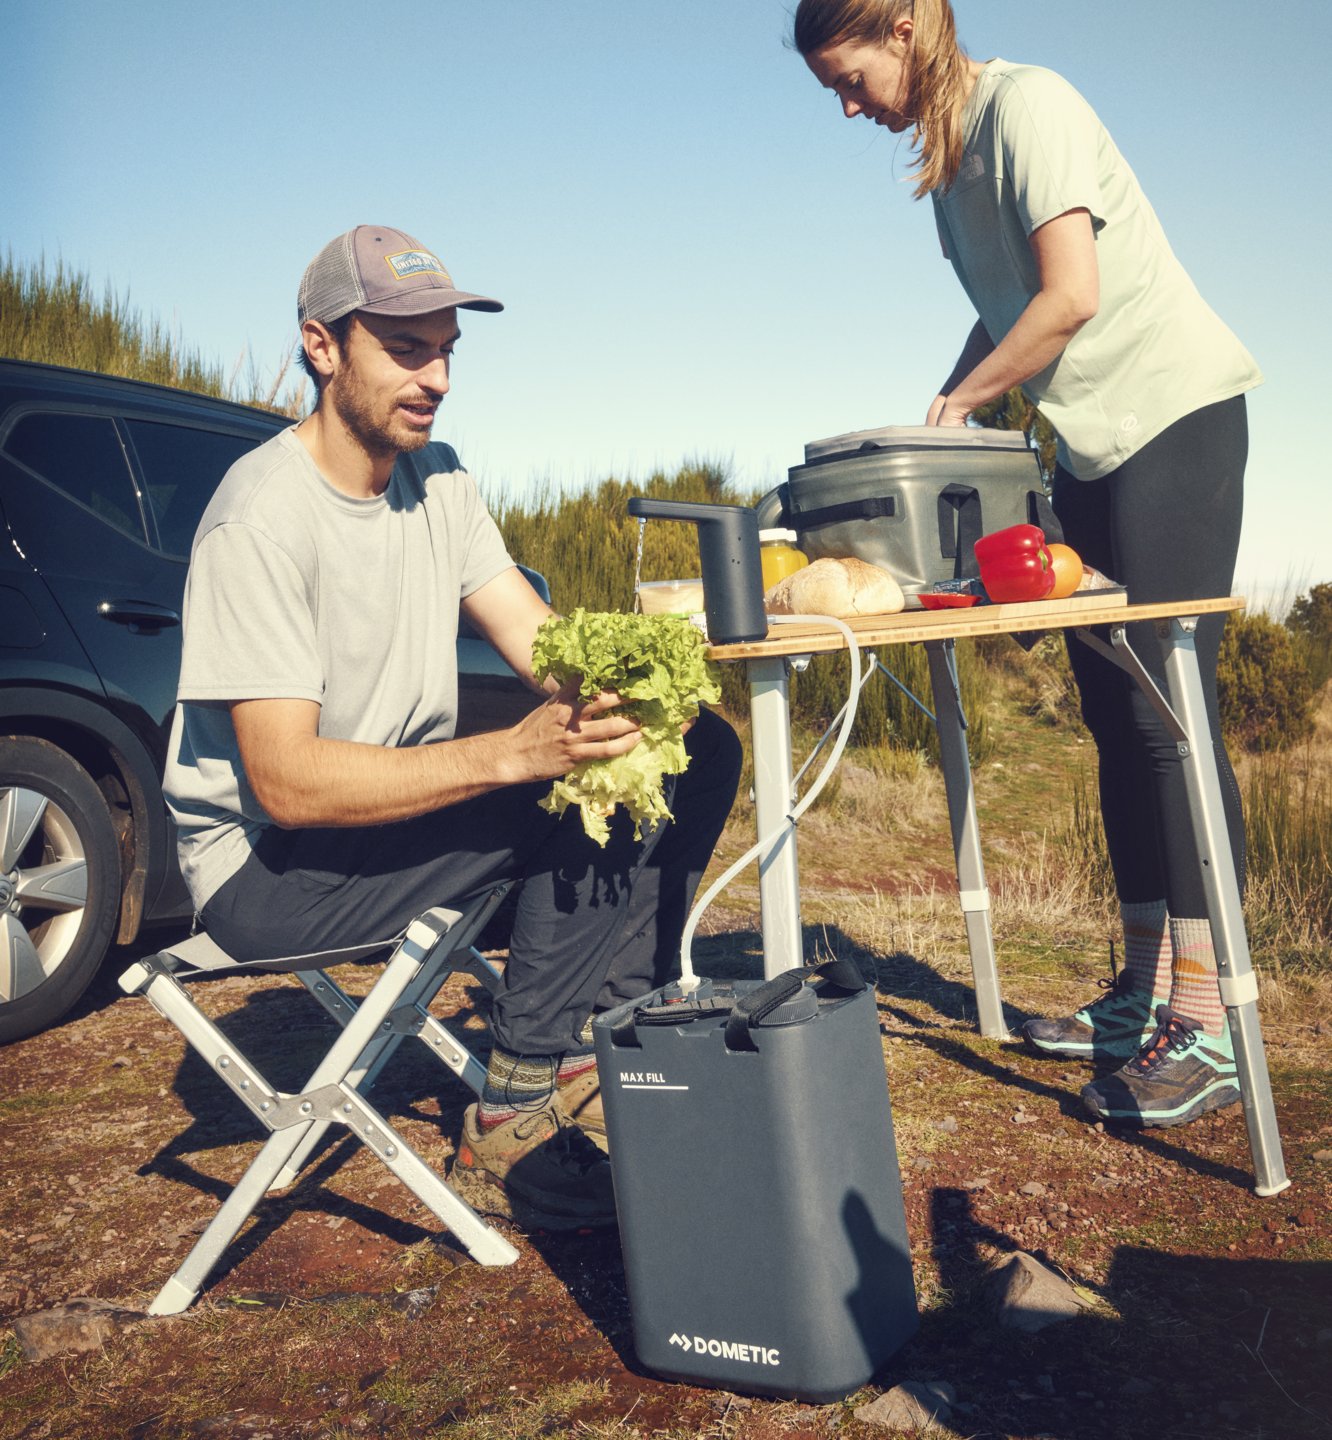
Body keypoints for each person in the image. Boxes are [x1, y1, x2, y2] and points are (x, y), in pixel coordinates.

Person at [163, 224, 741, 1228]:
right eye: (404, 349)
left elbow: (542, 642)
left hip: (374, 822)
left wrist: (640, 684)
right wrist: (515, 753)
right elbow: (286, 782)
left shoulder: (442, 484)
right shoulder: (260, 519)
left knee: (688, 750)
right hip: (267, 866)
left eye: (444, 351)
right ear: (322, 347)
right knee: (556, 797)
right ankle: (512, 1113)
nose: (433, 376)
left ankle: (613, 1043)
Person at [794, 1, 1259, 1127]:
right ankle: (1141, 995)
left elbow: (1069, 296)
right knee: (1111, 712)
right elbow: (1003, 317)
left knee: (1167, 715)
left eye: (849, 78)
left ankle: (1211, 1027)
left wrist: (967, 399)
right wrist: (935, 418)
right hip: (1088, 441)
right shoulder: (953, 171)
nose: (850, 106)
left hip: (1172, 418)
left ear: (902, 26)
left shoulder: (1029, 104)